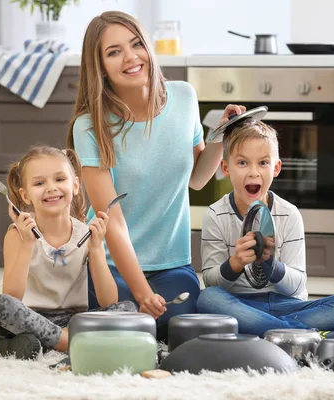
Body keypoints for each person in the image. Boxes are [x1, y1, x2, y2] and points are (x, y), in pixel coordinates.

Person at [66, 10, 245, 341]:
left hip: (171, 264)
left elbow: (197, 178)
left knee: (178, 322)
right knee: (127, 316)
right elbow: (113, 221)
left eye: (136, 44)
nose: (131, 57)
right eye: (114, 51)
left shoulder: (183, 96)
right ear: (100, 66)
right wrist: (142, 291)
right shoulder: (90, 126)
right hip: (111, 265)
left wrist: (222, 134)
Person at [196, 119, 334, 338]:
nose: (254, 172)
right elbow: (210, 281)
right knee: (208, 299)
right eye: (243, 163)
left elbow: (296, 286)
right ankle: (303, 336)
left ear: (276, 168)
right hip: (241, 305)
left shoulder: (289, 214)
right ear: (225, 168)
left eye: (263, 163)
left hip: (288, 305)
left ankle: (270, 331)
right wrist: (234, 263)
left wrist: (272, 267)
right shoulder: (215, 215)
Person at [0, 146, 136, 360]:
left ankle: (32, 344)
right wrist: (27, 245)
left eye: (60, 179)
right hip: (24, 317)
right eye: (39, 183)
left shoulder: (85, 234)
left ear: (76, 186)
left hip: (71, 320)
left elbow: (108, 300)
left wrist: (97, 248)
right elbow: (12, 296)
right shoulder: (17, 235)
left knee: (127, 308)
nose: (51, 188)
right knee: (1, 305)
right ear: (25, 195)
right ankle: (72, 342)